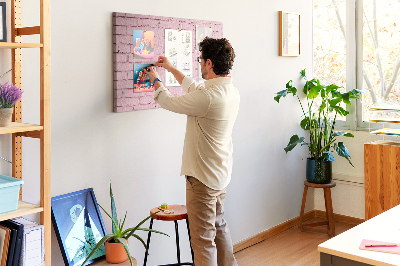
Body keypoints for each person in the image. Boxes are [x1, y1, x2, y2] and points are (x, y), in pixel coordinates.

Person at [144, 37, 239, 266]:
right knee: (219, 229)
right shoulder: (230, 92)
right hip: (219, 175)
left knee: (203, 241)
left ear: (209, 63)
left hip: (202, 179)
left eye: (200, 61)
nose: (199, 65)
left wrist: (155, 78)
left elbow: (168, 101)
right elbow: (194, 87)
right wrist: (170, 67)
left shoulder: (207, 98)